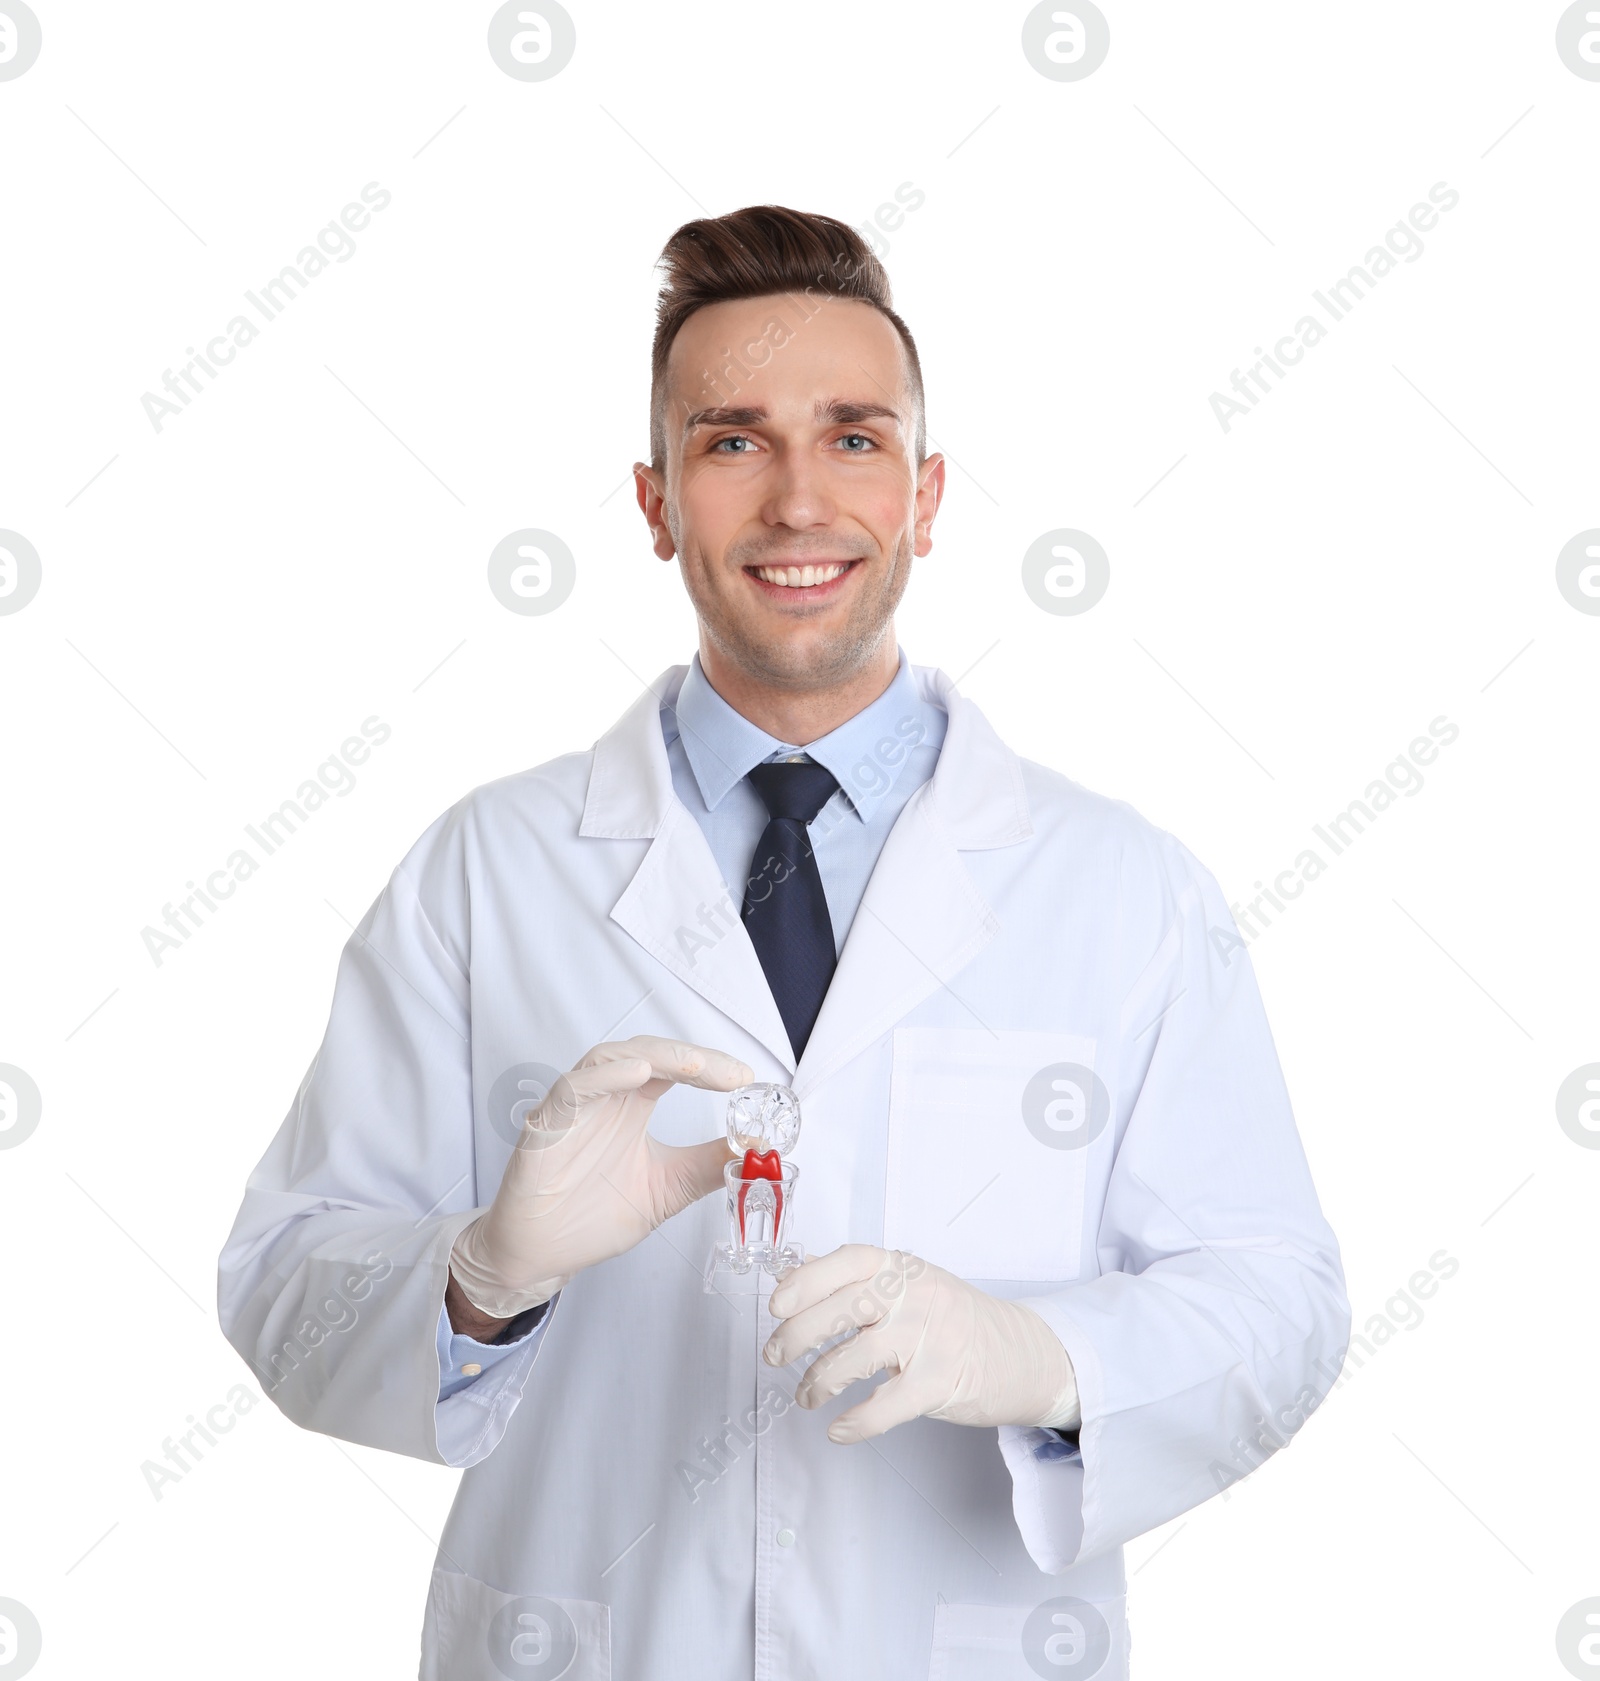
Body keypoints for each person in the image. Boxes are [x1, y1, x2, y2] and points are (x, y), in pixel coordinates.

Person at [218, 204, 1350, 1681]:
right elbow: (283, 1283)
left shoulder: (1121, 887)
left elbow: (1281, 1302)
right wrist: (482, 1274)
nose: (800, 501)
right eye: (734, 439)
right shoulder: (488, 873)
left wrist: (1042, 1360)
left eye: (856, 438)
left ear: (929, 495)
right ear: (656, 500)